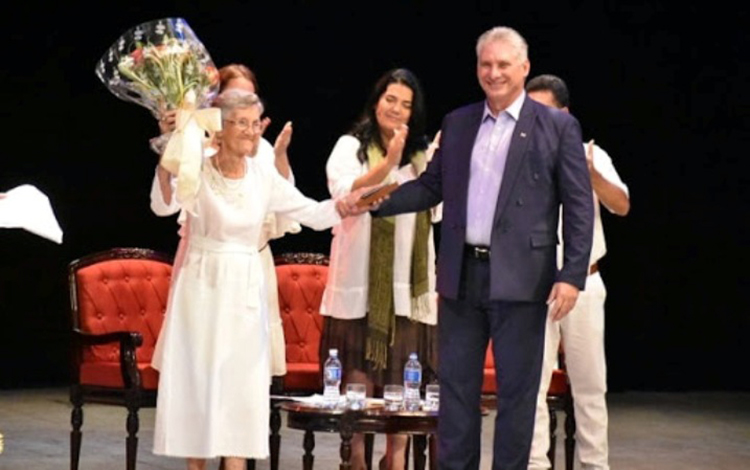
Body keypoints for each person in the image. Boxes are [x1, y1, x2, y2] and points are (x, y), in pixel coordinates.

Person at [369, 27, 595, 469]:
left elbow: (580, 205)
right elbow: (432, 186)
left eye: (503, 65)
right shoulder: (459, 122)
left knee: (517, 396)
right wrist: (373, 203)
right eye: (485, 64)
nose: (493, 73)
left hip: (524, 280)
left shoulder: (556, 126)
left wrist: (571, 275)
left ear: (524, 68)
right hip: (461, 276)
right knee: (455, 393)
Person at [150, 89, 367, 470]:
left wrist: (347, 206)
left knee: (240, 389)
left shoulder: (262, 175)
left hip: (246, 288)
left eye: (256, 123)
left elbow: (311, 212)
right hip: (202, 285)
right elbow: (164, 205)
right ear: (221, 126)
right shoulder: (198, 166)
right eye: (243, 124)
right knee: (200, 387)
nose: (253, 133)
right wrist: (171, 155)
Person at [320, 68, 440, 470]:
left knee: (401, 376)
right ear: (376, 101)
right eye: (391, 100)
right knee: (358, 369)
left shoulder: (424, 156)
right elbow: (348, 195)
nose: (397, 109)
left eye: (407, 104)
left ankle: (396, 459)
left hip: (408, 284)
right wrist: (387, 162)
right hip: (360, 278)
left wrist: (434, 165)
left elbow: (438, 210)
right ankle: (355, 459)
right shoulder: (350, 146)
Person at [155, 63, 297, 379]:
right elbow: (166, 202)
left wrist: (280, 156)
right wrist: (173, 142)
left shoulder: (261, 153)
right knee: (203, 364)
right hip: (208, 266)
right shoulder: (198, 148)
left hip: (254, 264)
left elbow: (287, 209)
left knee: (248, 369)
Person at [525, 74, 630, 470]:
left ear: (564, 114)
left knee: (589, 385)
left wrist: (591, 174)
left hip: (584, 282)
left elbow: (622, 205)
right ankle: (535, 464)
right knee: (531, 385)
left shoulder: (591, 154)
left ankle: (593, 466)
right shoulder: (518, 157)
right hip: (535, 284)